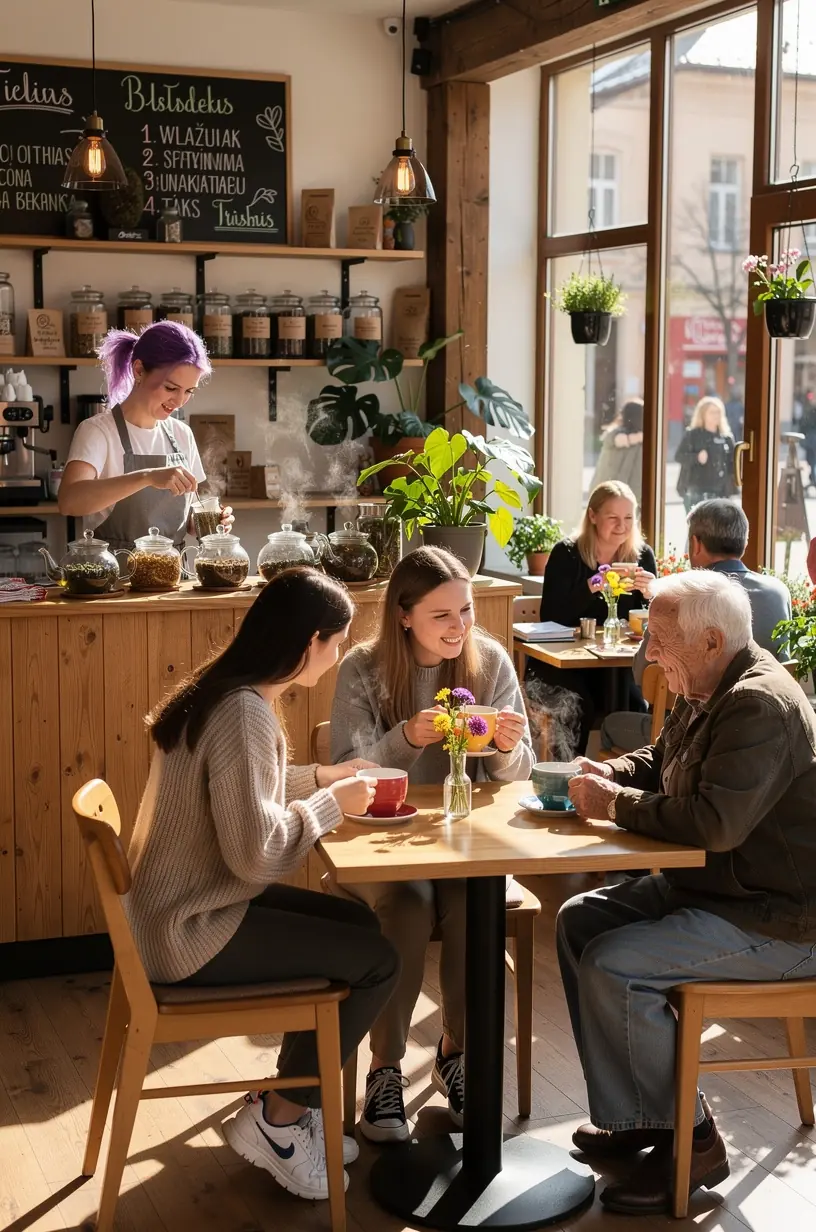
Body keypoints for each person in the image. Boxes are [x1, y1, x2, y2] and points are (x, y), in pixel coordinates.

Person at [124, 568, 399, 1202]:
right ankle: (278, 1118)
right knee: (379, 960)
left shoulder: (223, 693)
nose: (336, 659)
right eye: (335, 644)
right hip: (189, 933)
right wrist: (335, 805)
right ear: (308, 643)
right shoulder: (245, 714)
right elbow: (255, 853)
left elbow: (241, 796)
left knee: (360, 927)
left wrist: (325, 777)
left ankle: (288, 1104)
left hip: (173, 914)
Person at [559, 570, 816, 1216]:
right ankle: (646, 1119)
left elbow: (712, 823)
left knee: (614, 966)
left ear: (709, 640)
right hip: (720, 893)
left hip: (780, 920)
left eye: (661, 641)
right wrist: (608, 772)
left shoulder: (759, 704)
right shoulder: (708, 684)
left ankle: (695, 1141)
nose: (649, 653)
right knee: (577, 923)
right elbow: (662, 760)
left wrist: (612, 803)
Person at [330, 546, 534, 1142]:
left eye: (466, 611)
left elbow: (518, 777)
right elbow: (347, 772)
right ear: (404, 615)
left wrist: (505, 747)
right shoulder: (362, 671)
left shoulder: (489, 661)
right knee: (409, 901)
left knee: (477, 900)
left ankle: (454, 1054)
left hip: (461, 840)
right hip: (379, 843)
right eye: (442, 614)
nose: (460, 626)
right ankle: (386, 1068)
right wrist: (405, 738)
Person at [601, 499, 792, 753]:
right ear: (744, 544)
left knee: (610, 725)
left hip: (690, 732)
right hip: (765, 730)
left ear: (695, 543)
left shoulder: (679, 596)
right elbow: (784, 662)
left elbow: (642, 675)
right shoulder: (779, 592)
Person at [58, 320, 233, 549]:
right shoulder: (98, 431)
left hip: (175, 578)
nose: (179, 401)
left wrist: (210, 520)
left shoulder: (182, 434)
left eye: (189, 391)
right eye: (170, 388)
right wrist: (147, 477)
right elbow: (69, 502)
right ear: (139, 370)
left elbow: (189, 519)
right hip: (115, 578)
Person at [532, 481, 657, 754]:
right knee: (577, 703)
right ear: (592, 516)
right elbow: (551, 616)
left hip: (618, 662)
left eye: (628, 518)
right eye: (613, 518)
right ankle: (570, 779)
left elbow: (654, 617)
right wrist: (590, 587)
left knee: (635, 702)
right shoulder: (567, 554)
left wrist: (650, 593)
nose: (621, 526)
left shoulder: (641, 556)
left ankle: (625, 779)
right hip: (565, 662)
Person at [675, 395, 735, 513]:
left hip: (720, 493)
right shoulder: (693, 434)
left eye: (718, 412)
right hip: (696, 491)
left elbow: (732, 464)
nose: (716, 415)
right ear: (703, 414)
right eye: (712, 412)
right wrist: (696, 457)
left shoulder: (726, 437)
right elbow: (679, 456)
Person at [590, 398, 644, 501]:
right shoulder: (616, 434)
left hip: (618, 494)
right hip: (611, 494)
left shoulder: (638, 441)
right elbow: (622, 440)